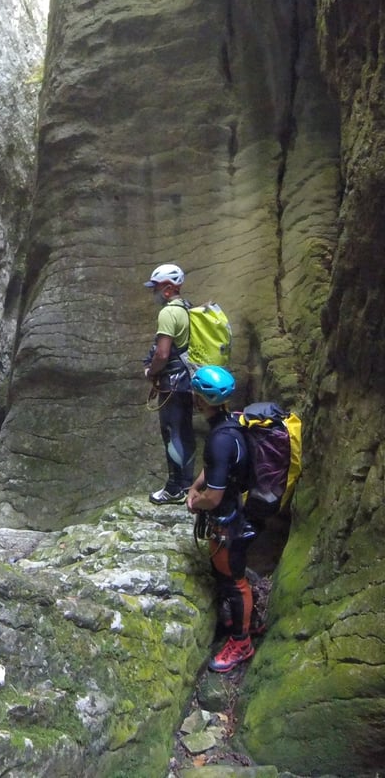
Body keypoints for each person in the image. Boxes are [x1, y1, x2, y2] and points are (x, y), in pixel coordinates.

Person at [186, 364, 256, 673]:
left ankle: (242, 642)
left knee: (234, 581)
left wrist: (195, 501)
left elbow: (213, 496)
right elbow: (216, 469)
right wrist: (196, 485)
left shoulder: (218, 439)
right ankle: (236, 621)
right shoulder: (233, 422)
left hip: (227, 518)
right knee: (227, 577)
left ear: (200, 400)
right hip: (233, 511)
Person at [143, 263, 195, 504]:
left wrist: (150, 372)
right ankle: (186, 484)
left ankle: (174, 488)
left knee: (172, 434)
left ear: (167, 289)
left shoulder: (168, 313)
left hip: (172, 384)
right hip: (188, 382)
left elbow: (162, 354)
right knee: (185, 432)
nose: (152, 293)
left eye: (155, 288)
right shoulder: (187, 309)